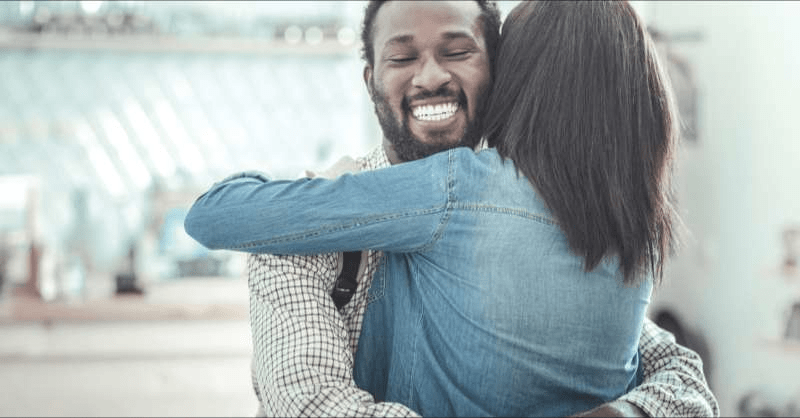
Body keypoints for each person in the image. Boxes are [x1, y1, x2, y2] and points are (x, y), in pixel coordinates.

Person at [187, 1, 718, 416]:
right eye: (401, 57)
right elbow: (313, 404)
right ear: (370, 80)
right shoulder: (631, 222)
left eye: (459, 51)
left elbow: (678, 374)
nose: (431, 76)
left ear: (505, 77)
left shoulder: (464, 190)